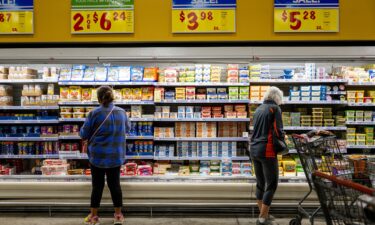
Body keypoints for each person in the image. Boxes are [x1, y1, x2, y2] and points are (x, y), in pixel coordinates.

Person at [80, 86, 131, 225]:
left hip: (98, 157)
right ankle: (118, 215)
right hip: (116, 155)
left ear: (98, 98)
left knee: (97, 186)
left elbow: (83, 134)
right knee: (115, 185)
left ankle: (94, 217)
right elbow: (128, 129)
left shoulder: (94, 113)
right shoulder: (122, 112)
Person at [250, 86, 285, 225]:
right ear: (277, 98)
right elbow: (278, 129)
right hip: (267, 150)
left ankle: (263, 214)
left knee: (260, 183)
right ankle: (263, 218)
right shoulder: (275, 109)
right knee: (271, 184)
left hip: (254, 149)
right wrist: (283, 140)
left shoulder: (258, 109)